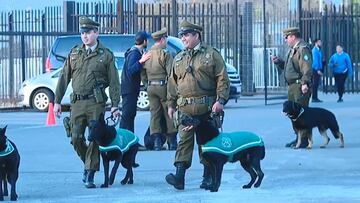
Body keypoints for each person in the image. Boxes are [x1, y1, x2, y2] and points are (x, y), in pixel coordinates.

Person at [53, 16, 121, 188]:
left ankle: (90, 173)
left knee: (94, 139)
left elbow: (114, 82)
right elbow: (64, 77)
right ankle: (88, 164)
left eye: (88, 32)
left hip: (95, 103)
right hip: (76, 103)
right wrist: (57, 101)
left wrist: (114, 105)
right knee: (75, 138)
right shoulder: (75, 53)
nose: (85, 36)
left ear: (96, 33)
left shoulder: (105, 55)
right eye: (82, 33)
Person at [165, 20, 230, 190]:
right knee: (183, 142)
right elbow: (172, 83)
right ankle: (179, 177)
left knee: (206, 143)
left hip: (206, 108)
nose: (183, 38)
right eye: (182, 35)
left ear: (197, 35)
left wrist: (220, 100)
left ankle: (208, 177)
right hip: (185, 109)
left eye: (186, 35)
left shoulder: (211, 54)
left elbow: (222, 78)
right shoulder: (179, 58)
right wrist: (170, 104)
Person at [271, 27, 312, 148]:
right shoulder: (293, 50)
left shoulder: (302, 49)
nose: (285, 40)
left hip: (299, 85)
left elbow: (307, 68)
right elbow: (290, 68)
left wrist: (305, 83)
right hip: (292, 86)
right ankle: (298, 138)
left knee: (301, 113)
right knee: (293, 114)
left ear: (293, 36)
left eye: (287, 37)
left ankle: (304, 139)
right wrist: (279, 62)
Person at [141, 27, 178, 151]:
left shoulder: (147, 54)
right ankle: (172, 142)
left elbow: (142, 72)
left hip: (151, 87)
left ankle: (156, 142)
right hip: (163, 86)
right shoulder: (165, 53)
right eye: (166, 38)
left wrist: (147, 84)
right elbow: (171, 73)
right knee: (169, 112)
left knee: (154, 114)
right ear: (162, 39)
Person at [120, 31, 151, 132]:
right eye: (147, 40)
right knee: (127, 116)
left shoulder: (135, 52)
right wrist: (141, 61)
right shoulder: (134, 53)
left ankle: (131, 142)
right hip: (129, 90)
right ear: (144, 41)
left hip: (131, 89)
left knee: (130, 115)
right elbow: (131, 70)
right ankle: (123, 141)